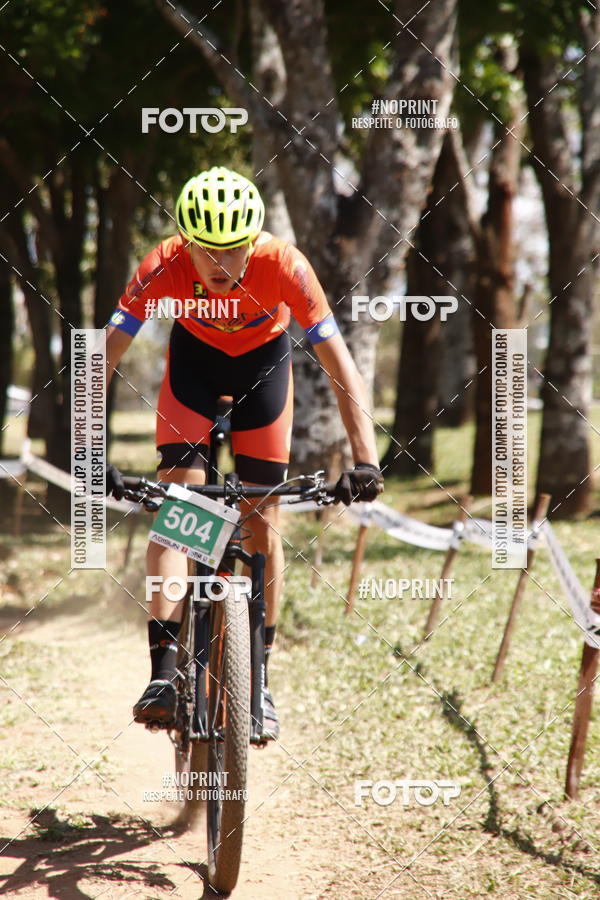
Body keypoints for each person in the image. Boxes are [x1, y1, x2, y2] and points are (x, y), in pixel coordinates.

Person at [105, 166, 383, 740]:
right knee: (179, 515)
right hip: (194, 369)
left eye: (234, 250)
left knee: (264, 521)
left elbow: (341, 367)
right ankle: (162, 675)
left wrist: (365, 458)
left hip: (264, 371)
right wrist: (86, 447)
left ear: (253, 240)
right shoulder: (161, 266)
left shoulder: (285, 266)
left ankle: (258, 675)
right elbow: (98, 360)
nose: (222, 265)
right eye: (208, 252)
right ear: (187, 242)